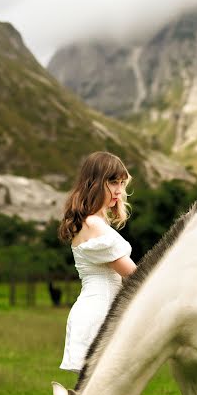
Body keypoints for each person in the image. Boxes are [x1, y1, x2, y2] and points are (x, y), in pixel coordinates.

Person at [58, 151, 137, 373]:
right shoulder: (94, 224)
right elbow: (132, 275)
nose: (119, 190)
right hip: (98, 314)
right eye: (113, 182)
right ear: (94, 182)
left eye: (122, 183)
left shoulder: (91, 222)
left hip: (100, 311)